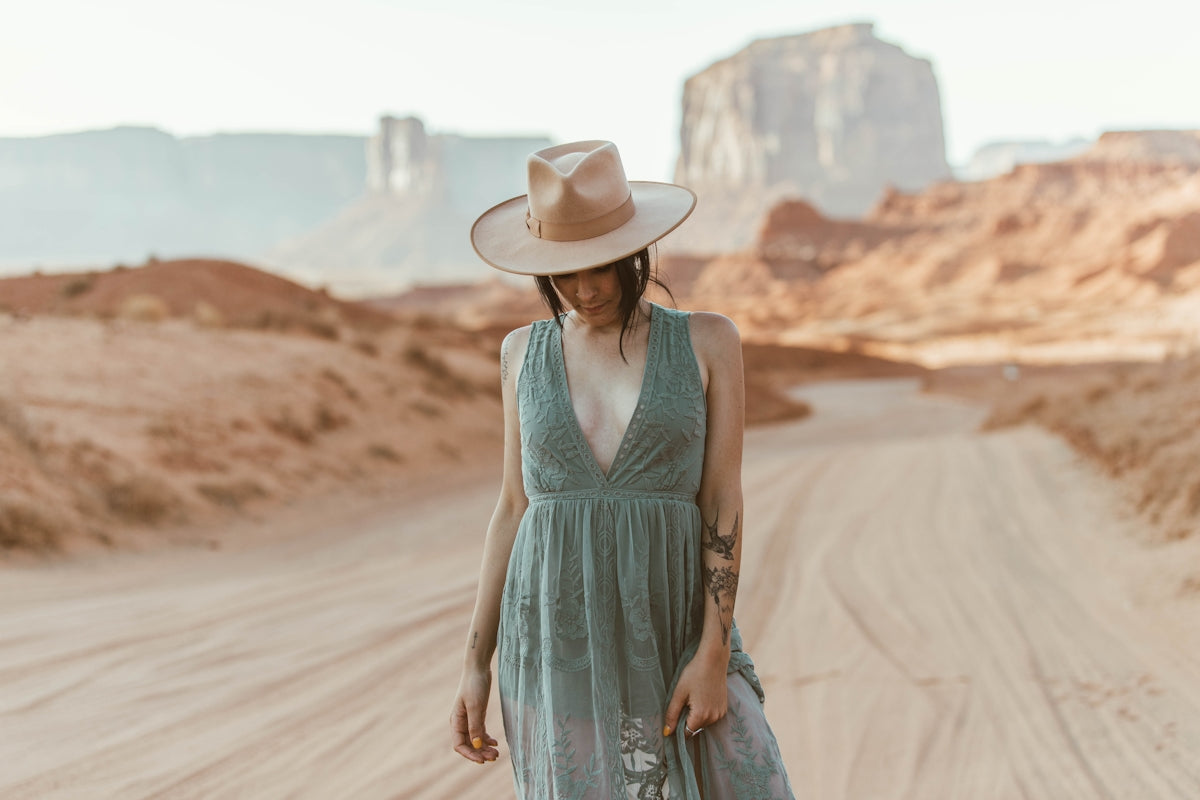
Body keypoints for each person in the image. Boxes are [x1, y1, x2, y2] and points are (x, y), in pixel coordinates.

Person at [450, 140, 794, 799]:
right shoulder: (520, 352)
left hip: (673, 622)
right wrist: (475, 664)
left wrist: (714, 653)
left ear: (636, 251)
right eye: (563, 270)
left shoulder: (708, 340)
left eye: (603, 265)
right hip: (555, 637)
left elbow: (722, 499)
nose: (584, 288)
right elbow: (513, 509)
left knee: (748, 779)